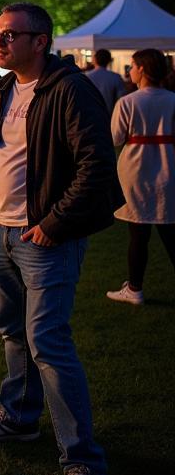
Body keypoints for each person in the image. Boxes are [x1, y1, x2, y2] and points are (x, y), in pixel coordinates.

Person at [0, 2, 121, 475]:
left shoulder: (71, 89)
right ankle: (19, 417)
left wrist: (53, 223)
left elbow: (97, 164)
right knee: (13, 332)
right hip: (2, 233)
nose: (0, 42)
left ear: (41, 41)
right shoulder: (7, 88)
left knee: (48, 342)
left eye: (11, 35)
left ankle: (84, 466)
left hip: (45, 238)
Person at [105, 47, 175, 305]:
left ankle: (135, 288)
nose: (130, 71)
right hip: (170, 168)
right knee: (170, 230)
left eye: (132, 66)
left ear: (142, 69)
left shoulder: (128, 102)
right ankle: (133, 288)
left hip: (136, 170)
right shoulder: (172, 100)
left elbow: (115, 138)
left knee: (139, 233)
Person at [85, 48, 126, 114]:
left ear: (94, 60)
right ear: (109, 60)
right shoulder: (115, 77)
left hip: (89, 116)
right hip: (109, 115)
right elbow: (121, 98)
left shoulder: (86, 77)